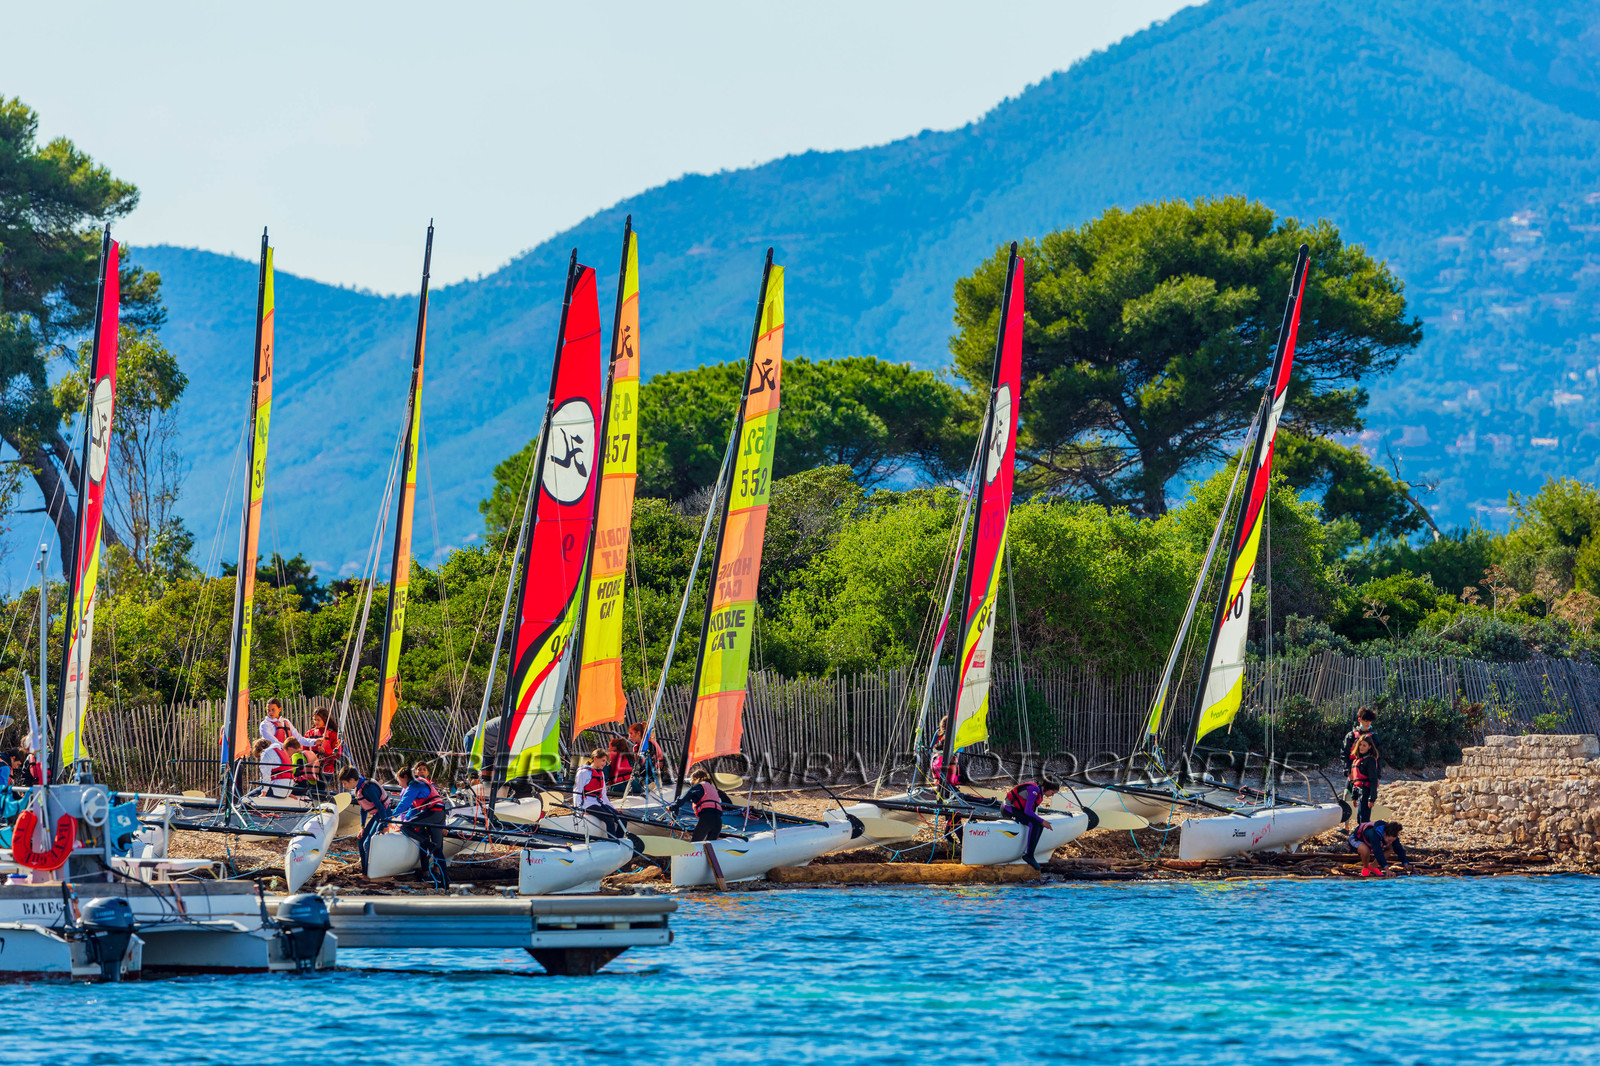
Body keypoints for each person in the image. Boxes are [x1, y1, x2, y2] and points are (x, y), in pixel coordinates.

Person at [391, 767, 449, 887]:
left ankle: (428, 844)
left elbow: (404, 804)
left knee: (405, 828)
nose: (399, 784)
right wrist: (406, 819)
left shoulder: (414, 785)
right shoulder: (420, 783)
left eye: (399, 780)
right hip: (440, 814)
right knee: (438, 851)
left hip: (432, 813)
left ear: (405, 778)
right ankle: (445, 882)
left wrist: (389, 816)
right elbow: (413, 809)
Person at [1001, 779, 1061, 872]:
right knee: (1035, 824)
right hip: (1008, 809)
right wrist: (1042, 820)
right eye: (1052, 793)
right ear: (1048, 788)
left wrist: (1040, 822)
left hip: (1018, 810)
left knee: (1039, 825)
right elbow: (1027, 811)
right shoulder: (1034, 790)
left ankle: (1030, 854)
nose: (1052, 795)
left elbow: (1030, 811)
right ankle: (1029, 856)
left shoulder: (1039, 792)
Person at [339, 766, 390, 864]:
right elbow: (363, 808)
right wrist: (362, 827)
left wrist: (385, 825)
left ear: (352, 780)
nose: (344, 785)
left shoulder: (368, 788)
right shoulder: (358, 788)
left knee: (367, 843)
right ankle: (364, 870)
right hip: (377, 816)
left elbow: (381, 807)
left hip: (383, 815)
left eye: (344, 783)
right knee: (361, 840)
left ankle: (369, 872)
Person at [572, 748, 623, 838]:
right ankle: (613, 843)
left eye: (605, 761)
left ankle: (620, 841)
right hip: (587, 804)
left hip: (599, 803)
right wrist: (579, 811)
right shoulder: (583, 772)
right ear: (595, 758)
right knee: (609, 819)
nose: (604, 764)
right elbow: (577, 792)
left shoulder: (601, 773)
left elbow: (603, 795)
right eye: (603, 760)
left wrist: (612, 809)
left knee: (622, 818)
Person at [670, 769, 726, 842]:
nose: (691, 782)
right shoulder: (713, 788)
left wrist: (671, 807)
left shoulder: (698, 787)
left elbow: (683, 799)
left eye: (691, 780)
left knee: (695, 842)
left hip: (707, 818)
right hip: (718, 821)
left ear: (695, 779)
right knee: (710, 845)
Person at [1341, 708, 1381, 807]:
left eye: (1370, 721)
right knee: (1347, 795)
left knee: (1366, 797)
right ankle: (1347, 821)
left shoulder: (1375, 737)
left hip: (1368, 774)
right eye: (1365, 721)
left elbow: (1379, 758)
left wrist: (1378, 776)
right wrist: (1347, 771)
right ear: (1360, 720)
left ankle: (1364, 819)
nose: (1368, 723)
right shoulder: (1351, 736)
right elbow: (1344, 754)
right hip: (1354, 771)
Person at [302, 707, 341, 780]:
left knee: (321, 790)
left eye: (318, 720)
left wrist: (326, 752)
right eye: (314, 719)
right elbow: (304, 750)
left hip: (326, 769)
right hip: (311, 769)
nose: (316, 722)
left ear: (325, 719)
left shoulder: (332, 733)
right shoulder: (309, 733)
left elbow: (338, 752)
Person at [1350, 734, 1380, 823]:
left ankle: (1364, 835)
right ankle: (1361, 835)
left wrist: (1372, 798)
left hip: (1366, 792)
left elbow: (1373, 780)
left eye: (1364, 745)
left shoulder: (1370, 760)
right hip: (1359, 791)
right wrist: (1354, 797)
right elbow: (1355, 782)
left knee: (1364, 820)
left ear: (1369, 747)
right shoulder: (1357, 760)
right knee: (1359, 819)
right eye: (1360, 744)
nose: (1361, 747)